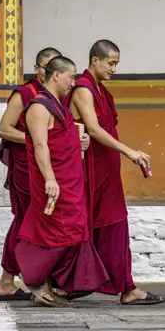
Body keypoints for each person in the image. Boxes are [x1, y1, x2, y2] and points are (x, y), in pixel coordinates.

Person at [68, 39, 165, 306]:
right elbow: (95, 129)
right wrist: (129, 151)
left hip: (106, 168)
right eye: (111, 63)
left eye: (117, 64)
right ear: (94, 60)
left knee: (113, 226)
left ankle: (119, 285)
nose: (114, 69)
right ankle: (80, 282)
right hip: (88, 169)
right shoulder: (83, 89)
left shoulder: (101, 90)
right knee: (87, 224)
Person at [16, 56, 106, 307]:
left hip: (70, 180)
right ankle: (34, 279)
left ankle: (48, 284)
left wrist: (80, 142)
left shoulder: (59, 104)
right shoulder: (39, 107)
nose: (73, 82)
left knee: (73, 229)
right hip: (53, 182)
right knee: (55, 231)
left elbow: (61, 138)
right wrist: (50, 179)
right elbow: (40, 144)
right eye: (71, 76)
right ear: (56, 75)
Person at [0, 47, 62, 301]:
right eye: (47, 67)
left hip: (49, 166)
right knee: (29, 223)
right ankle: (33, 281)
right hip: (26, 167)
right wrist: (35, 138)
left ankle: (10, 280)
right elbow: (4, 129)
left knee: (34, 222)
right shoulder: (25, 94)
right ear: (37, 70)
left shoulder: (56, 95)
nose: (52, 73)